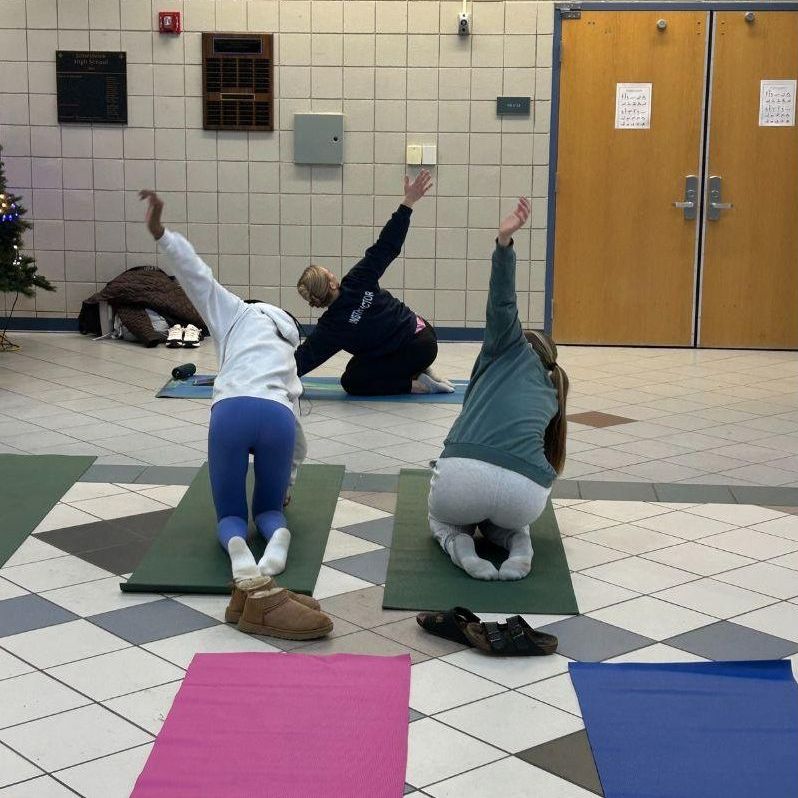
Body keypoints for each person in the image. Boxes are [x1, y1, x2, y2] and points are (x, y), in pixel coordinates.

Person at [139, 190, 332, 640]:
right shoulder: (288, 347)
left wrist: (162, 234)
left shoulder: (238, 312)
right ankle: (277, 538)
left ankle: (240, 558)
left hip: (231, 413)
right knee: (268, 509)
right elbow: (299, 437)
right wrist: (288, 484)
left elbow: (197, 276)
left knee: (230, 514)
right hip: (278, 418)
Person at [427, 198, 569, 581]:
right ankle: (519, 547)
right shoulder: (554, 387)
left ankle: (461, 548)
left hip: (463, 478)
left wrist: (504, 243)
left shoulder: (508, 345)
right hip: (525, 493)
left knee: (442, 519)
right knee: (509, 521)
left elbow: (502, 299)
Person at [294, 170, 454, 395]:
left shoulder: (332, 327)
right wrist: (408, 202)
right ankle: (418, 370)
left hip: (415, 348)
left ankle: (415, 384)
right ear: (331, 283)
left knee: (352, 381)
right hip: (424, 335)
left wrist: (265, 375)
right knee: (358, 365)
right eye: (328, 272)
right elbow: (387, 244)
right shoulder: (357, 279)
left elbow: (303, 359)